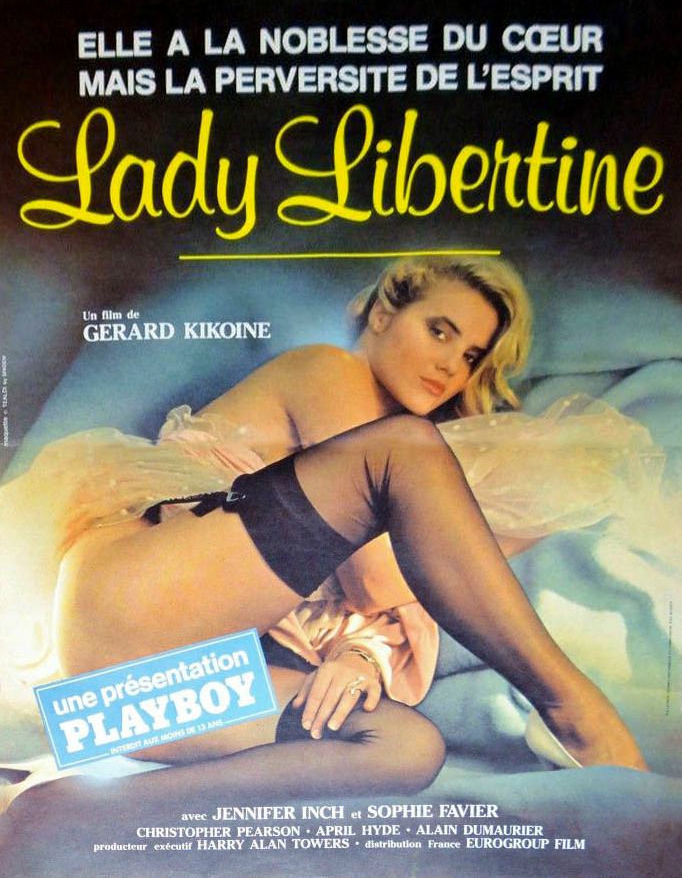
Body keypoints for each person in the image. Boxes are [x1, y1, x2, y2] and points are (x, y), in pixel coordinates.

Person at [0, 257, 648, 816]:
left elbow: (345, 594)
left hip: (127, 700)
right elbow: (376, 581)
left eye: (471, 356)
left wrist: (358, 657)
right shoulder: (331, 374)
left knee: (405, 746)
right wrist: (511, 536)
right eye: (439, 330)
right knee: (407, 450)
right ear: (382, 314)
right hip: (123, 606)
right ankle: (575, 710)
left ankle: (82, 804)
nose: (451, 365)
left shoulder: (376, 481)